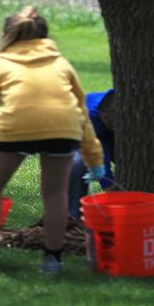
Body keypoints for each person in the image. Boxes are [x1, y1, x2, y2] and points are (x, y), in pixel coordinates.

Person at [0, 7, 106, 275]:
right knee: (55, 193)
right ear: (45, 37)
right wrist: (95, 160)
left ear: (6, 35)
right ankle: (53, 262)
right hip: (63, 128)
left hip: (15, 127)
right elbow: (81, 112)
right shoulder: (61, 64)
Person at [67, 88, 118, 221]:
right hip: (78, 138)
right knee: (77, 166)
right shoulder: (89, 117)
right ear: (104, 116)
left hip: (108, 134)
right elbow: (97, 153)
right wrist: (108, 184)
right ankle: (73, 216)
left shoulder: (115, 101)